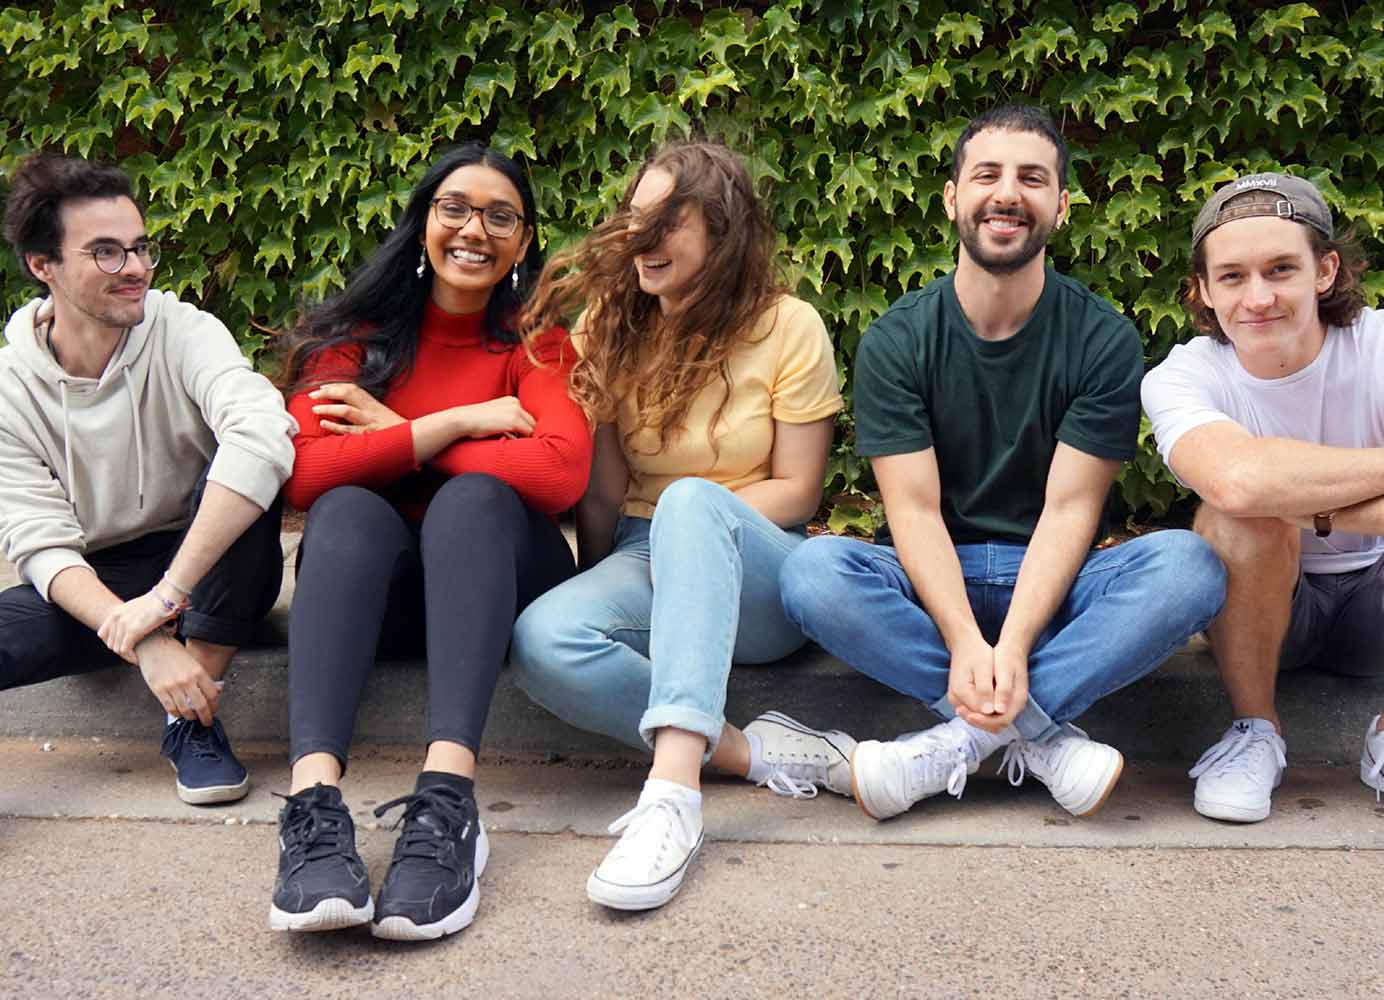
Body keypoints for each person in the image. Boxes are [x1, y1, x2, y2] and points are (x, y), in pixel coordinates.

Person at [775, 105, 1227, 823]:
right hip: (933, 579)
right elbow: (913, 511)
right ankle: (1038, 736)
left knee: (1189, 567)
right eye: (987, 175)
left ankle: (954, 744)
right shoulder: (898, 339)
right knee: (811, 573)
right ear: (953, 198)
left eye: (1032, 178)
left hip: (1056, 580)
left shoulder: (1102, 338)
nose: (1007, 193)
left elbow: (1071, 508)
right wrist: (962, 641)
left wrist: (1012, 644)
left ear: (1061, 207)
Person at [509, 142, 848, 911]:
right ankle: (748, 751)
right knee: (542, 641)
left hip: (757, 563)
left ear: (722, 232)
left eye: (666, 221)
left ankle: (672, 799)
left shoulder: (789, 326)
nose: (640, 238)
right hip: (644, 554)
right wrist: (602, 586)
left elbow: (797, 491)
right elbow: (602, 494)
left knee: (691, 504)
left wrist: (688, 531)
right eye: (634, 219)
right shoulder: (609, 326)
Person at [267, 144, 592, 939]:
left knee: (474, 499)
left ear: (522, 244)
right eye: (455, 207)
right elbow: (303, 476)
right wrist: (454, 424)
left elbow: (558, 475)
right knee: (345, 509)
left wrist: (402, 438)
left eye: (500, 216)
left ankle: (447, 808)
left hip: (501, 584)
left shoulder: (537, 342)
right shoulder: (352, 337)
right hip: (384, 599)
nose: (473, 229)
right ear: (422, 225)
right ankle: (313, 811)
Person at [0, 153, 294, 805]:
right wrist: (146, 639)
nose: (134, 269)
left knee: (245, 476)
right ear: (42, 265)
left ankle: (190, 721)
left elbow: (262, 431)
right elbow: (38, 541)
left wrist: (166, 599)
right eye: (105, 252)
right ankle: (171, 669)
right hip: (100, 580)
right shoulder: (9, 387)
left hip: (211, 560)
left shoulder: (185, 331)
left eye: (138, 248)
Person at [1142, 173, 1383, 823]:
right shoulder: (1184, 375)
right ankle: (1256, 734)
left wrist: (1312, 506)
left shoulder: (1378, 346)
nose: (1258, 297)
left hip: (1376, 600)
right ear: (1202, 291)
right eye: (1232, 277)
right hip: (1276, 609)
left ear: (1325, 270)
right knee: (1234, 516)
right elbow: (1238, 482)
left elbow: (1260, 478)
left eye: (1281, 269)